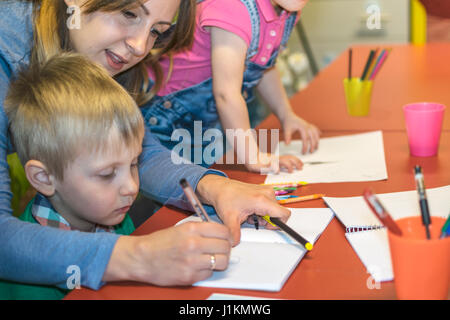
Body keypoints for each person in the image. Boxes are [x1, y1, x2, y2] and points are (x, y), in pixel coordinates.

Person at [0, 0, 290, 291]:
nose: (140, 47)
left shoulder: (96, 50)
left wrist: (215, 188)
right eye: (129, 14)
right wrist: (140, 256)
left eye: (157, 31)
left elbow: (143, 151)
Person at [0, 53, 147, 299]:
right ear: (44, 178)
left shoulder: (116, 218)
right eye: (107, 174)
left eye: (134, 164)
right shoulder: (31, 278)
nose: (131, 187)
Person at [144, 0, 321, 172]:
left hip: (203, 121)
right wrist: (253, 156)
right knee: (183, 188)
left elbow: (263, 66)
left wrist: (286, 114)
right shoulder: (233, 7)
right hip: (165, 118)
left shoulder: (287, 11)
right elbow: (226, 94)